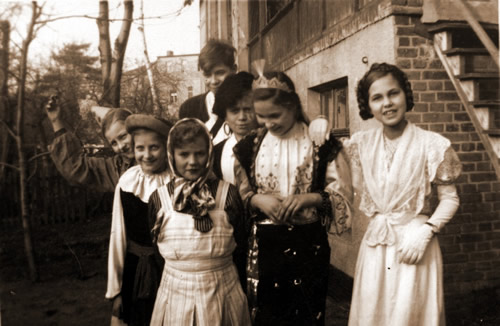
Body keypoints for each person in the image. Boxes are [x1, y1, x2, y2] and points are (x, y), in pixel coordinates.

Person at [346, 63, 462, 326]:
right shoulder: (360, 145)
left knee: (409, 313)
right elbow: (321, 155)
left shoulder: (433, 144)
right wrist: (317, 125)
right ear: (368, 105)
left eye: (393, 93)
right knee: (374, 311)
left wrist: (426, 232)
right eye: (377, 98)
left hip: (415, 244)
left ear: (405, 95)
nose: (387, 103)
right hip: (377, 246)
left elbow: (450, 199)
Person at [233, 70, 352, 325]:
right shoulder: (249, 146)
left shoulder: (319, 144)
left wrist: (311, 198)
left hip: (308, 245)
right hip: (265, 248)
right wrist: (256, 200)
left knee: (305, 311)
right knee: (268, 313)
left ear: (293, 106)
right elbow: (240, 190)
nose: (269, 123)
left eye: (275, 115)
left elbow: (342, 192)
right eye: (262, 117)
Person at [147, 118, 251, 326]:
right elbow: (156, 249)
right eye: (184, 154)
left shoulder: (227, 195)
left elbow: (240, 241)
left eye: (199, 153)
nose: (192, 161)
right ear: (172, 155)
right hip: (176, 293)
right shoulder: (160, 199)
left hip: (222, 290)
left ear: (209, 154)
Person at [106, 114, 173, 326]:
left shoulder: (178, 182)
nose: (146, 155)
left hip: (171, 272)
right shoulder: (127, 182)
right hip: (136, 272)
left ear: (166, 148)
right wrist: (115, 290)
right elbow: (118, 237)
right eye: (140, 148)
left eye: (154, 148)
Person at [45, 97, 134, 192]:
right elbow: (77, 168)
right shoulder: (119, 168)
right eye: (114, 143)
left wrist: (95, 109)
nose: (121, 146)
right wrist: (56, 121)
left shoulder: (150, 153)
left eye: (123, 136)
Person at [178, 39, 237, 145]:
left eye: (220, 73)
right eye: (207, 75)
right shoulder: (189, 109)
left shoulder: (248, 105)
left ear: (234, 70)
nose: (213, 81)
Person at [212, 71, 258, 184]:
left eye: (248, 109)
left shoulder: (270, 147)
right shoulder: (215, 154)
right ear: (225, 115)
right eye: (235, 111)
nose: (242, 117)